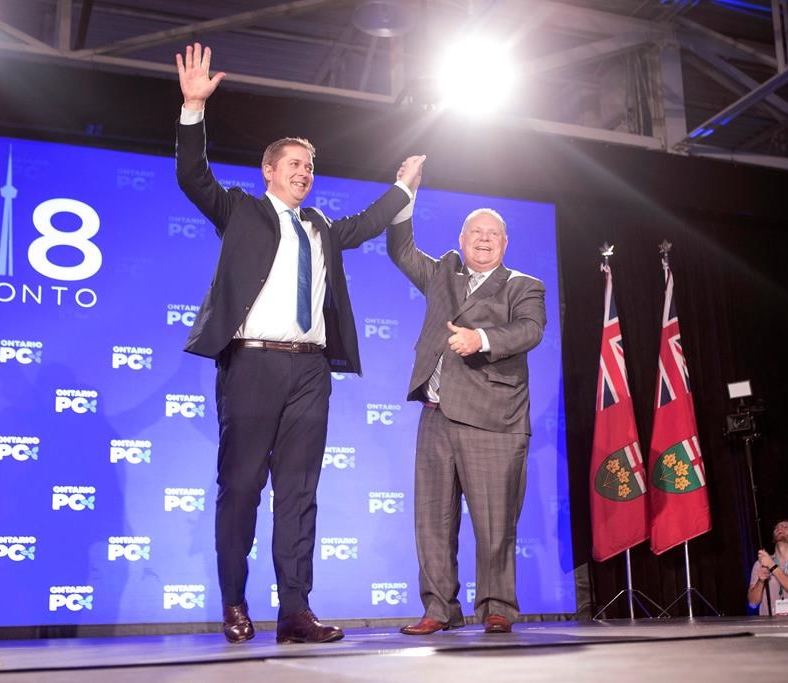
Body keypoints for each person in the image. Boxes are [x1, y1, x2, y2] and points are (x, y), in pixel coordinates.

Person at [174, 43, 425, 644]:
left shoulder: (319, 227)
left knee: (299, 494)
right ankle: (235, 604)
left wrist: (402, 189)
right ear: (269, 170)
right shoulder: (238, 210)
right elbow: (191, 176)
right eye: (294, 164)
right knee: (239, 490)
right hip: (252, 363)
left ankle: (295, 612)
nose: (304, 173)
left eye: (310, 167)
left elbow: (365, 226)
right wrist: (191, 107)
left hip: (310, 372)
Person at [387, 202, 546, 635]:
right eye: (475, 231)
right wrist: (406, 194)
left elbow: (530, 330)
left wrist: (482, 338)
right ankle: (439, 609)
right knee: (432, 520)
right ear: (461, 240)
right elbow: (401, 251)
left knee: (495, 522)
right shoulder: (442, 274)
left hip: (493, 418)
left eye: (492, 233)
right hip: (437, 414)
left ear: (505, 243)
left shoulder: (523, 286)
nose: (483, 238)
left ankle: (497, 606)